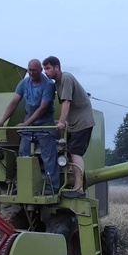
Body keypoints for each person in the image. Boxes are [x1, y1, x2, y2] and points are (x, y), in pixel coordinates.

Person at [0, 59, 60, 193]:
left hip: (45, 126)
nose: (31, 73)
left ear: (40, 70)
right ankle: (22, 186)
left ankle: (52, 188)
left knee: (49, 157)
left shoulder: (48, 85)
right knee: (23, 155)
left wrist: (26, 123)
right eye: (29, 70)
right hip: (28, 126)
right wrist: (2, 121)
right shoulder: (23, 83)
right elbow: (14, 103)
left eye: (34, 70)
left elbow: (42, 108)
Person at [42, 56, 94, 198]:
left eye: (48, 68)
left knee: (75, 153)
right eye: (44, 68)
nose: (45, 72)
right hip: (74, 123)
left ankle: (78, 189)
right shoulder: (58, 82)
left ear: (56, 67)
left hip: (82, 122)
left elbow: (66, 102)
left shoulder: (66, 78)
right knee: (68, 152)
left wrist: (61, 122)